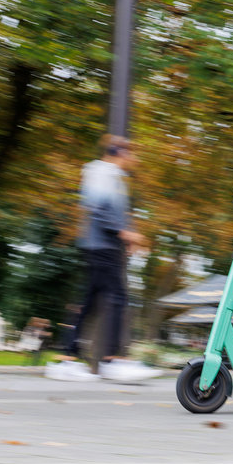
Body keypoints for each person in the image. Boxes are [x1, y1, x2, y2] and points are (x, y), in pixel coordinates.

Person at [46, 135, 161, 383]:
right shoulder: (102, 173)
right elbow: (97, 210)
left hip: (101, 245)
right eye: (130, 153)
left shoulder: (113, 177)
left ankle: (69, 358)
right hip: (101, 246)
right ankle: (111, 359)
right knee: (117, 297)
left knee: (89, 301)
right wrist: (125, 233)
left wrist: (127, 237)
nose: (134, 159)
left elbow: (113, 212)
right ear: (118, 153)